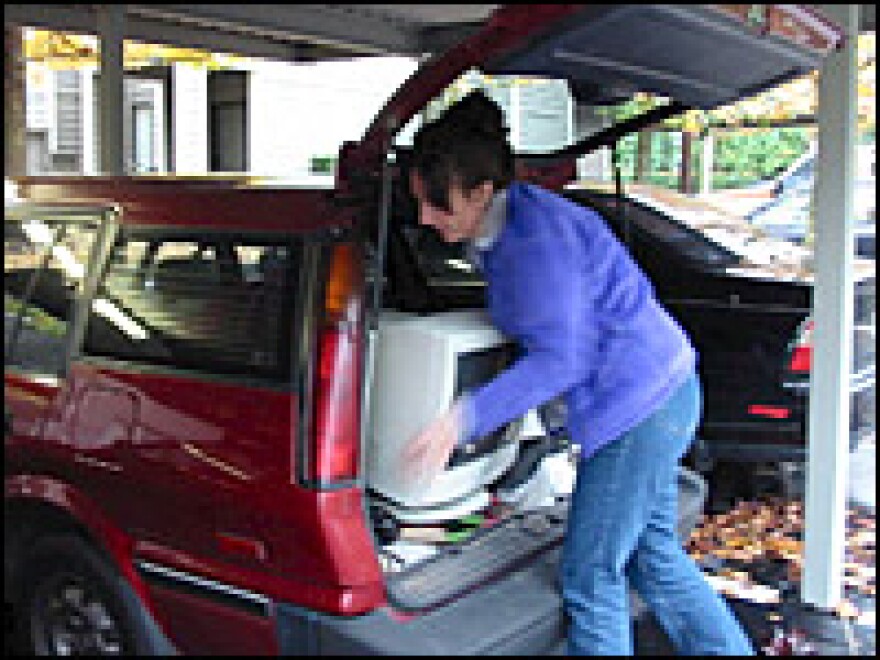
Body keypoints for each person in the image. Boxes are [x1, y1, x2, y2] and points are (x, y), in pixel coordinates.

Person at [400, 91, 755, 656]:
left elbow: (562, 358)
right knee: (651, 554)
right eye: (420, 202)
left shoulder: (533, 242)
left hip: (635, 412)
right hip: (664, 392)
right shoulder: (512, 224)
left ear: (482, 191)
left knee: (591, 578)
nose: (425, 217)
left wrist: (457, 422)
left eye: (437, 203)